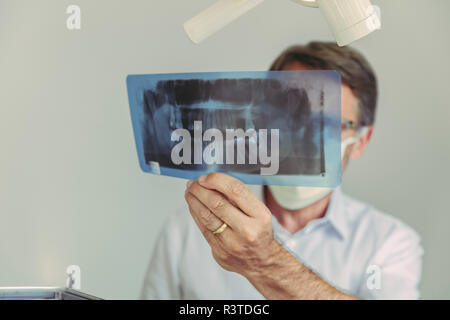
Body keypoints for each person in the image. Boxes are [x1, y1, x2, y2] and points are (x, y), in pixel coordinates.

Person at [141, 42, 423, 300]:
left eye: (326, 124)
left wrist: (264, 261)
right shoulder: (190, 229)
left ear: (360, 140)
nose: (300, 134)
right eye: (287, 116)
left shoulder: (390, 242)